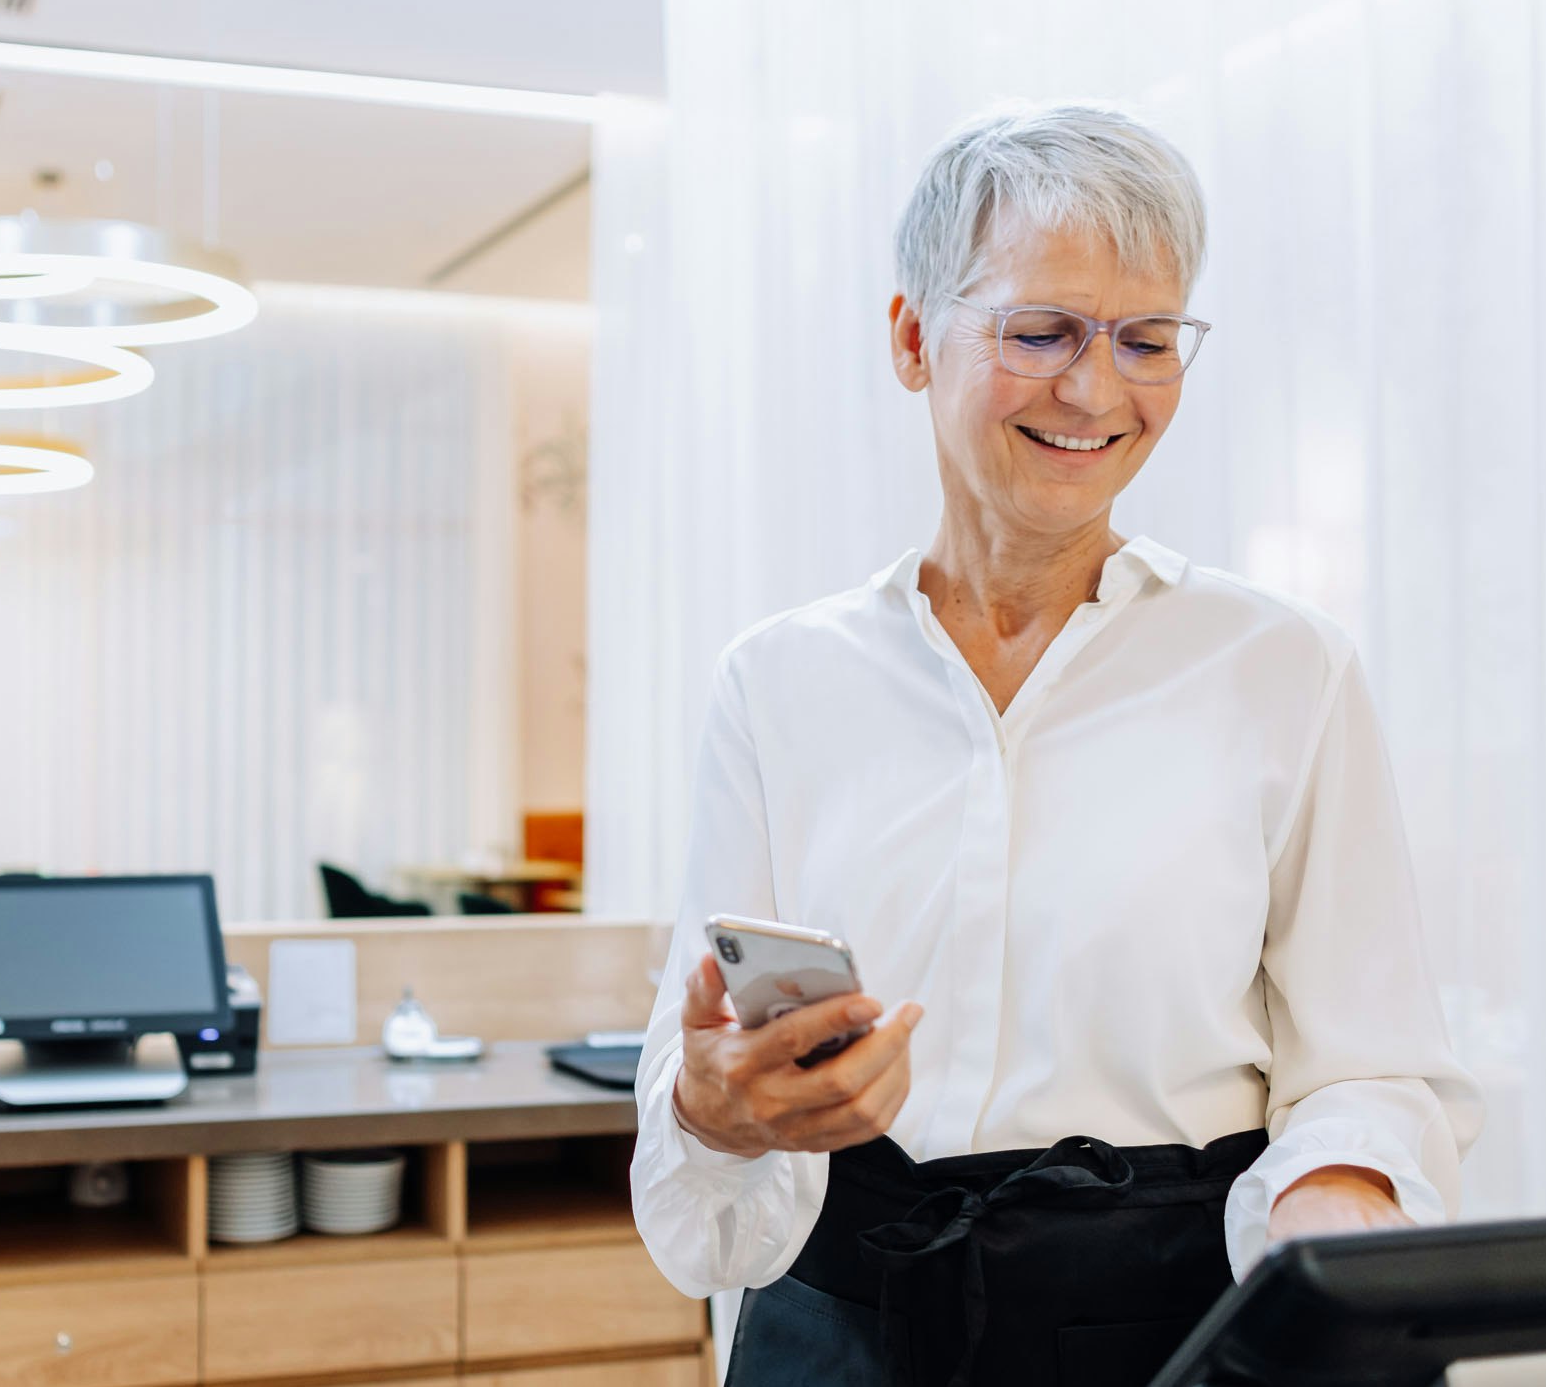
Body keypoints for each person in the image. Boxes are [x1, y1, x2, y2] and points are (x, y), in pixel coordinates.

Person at [631, 101, 1483, 1387]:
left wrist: (1340, 1200)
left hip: (1161, 1329)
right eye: (1041, 332)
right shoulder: (780, 682)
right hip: (838, 1324)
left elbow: (1369, 1061)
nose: (1096, 390)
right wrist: (715, 1105)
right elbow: (697, 1047)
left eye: (1147, 339)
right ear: (914, 338)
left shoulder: (1282, 669)